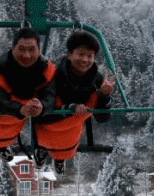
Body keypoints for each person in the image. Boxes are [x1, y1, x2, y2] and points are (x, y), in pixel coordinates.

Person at [35, 31, 114, 172]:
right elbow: (43, 111)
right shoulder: (54, 76)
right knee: (47, 140)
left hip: (71, 131)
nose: (85, 60)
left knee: (67, 147)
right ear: (69, 55)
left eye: (90, 56)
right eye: (80, 54)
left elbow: (102, 118)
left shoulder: (97, 79)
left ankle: (59, 158)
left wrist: (104, 96)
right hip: (51, 125)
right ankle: (43, 151)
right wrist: (69, 108)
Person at [0, 28, 56, 155]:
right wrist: (20, 109)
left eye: (31, 50)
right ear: (13, 49)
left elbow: (50, 95)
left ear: (39, 50)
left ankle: (3, 148)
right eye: (21, 49)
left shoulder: (46, 71)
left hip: (14, 130)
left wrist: (42, 107)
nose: (26, 55)